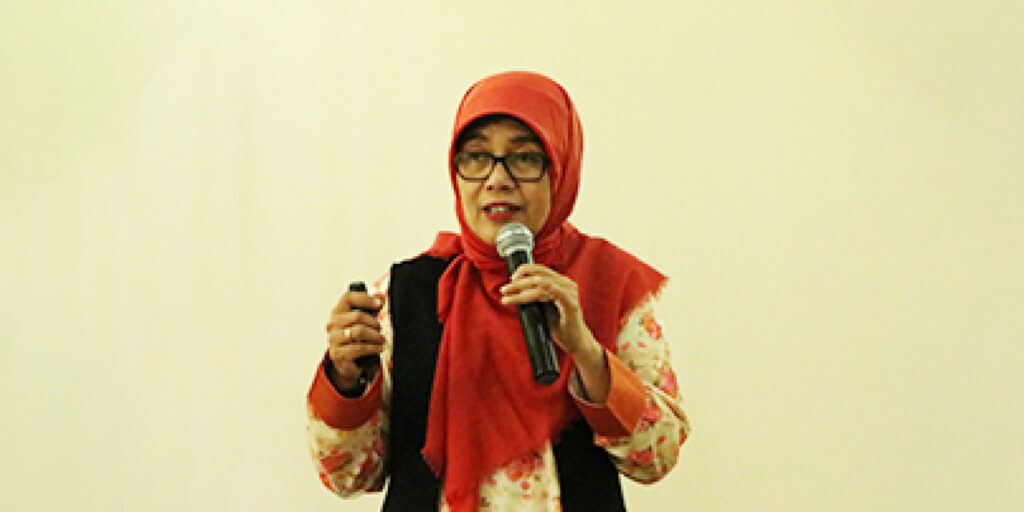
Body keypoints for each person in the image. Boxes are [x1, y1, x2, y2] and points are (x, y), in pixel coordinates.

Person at [306, 71, 690, 512]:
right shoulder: (405, 294)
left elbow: (656, 459)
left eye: (524, 158)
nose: (497, 179)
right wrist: (346, 378)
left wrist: (585, 350)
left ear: (561, 168)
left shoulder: (608, 284)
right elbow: (349, 476)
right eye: (476, 157)